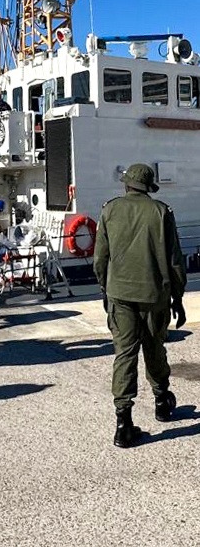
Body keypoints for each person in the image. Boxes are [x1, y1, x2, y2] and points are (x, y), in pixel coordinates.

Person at [94, 163, 187, 448]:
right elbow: (174, 261)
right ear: (148, 187)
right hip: (153, 295)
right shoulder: (161, 212)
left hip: (120, 295)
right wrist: (178, 298)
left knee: (124, 354)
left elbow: (100, 260)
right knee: (155, 348)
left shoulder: (109, 210)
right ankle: (162, 401)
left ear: (126, 185)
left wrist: (105, 289)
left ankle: (123, 423)